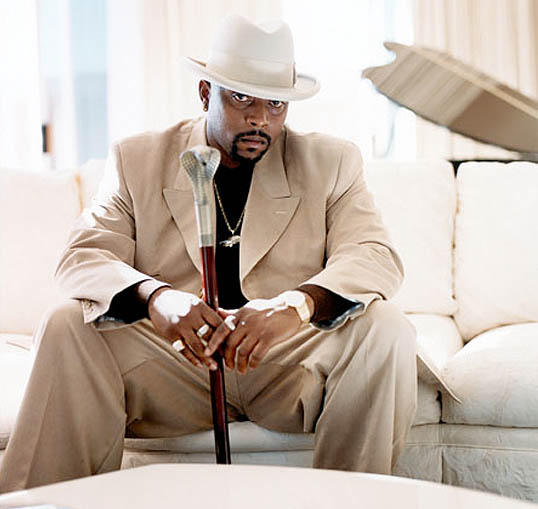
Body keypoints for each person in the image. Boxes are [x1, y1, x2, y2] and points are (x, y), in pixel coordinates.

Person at [0, 14, 418, 493]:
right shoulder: (137, 159)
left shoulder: (332, 161)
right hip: (178, 365)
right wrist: (156, 298)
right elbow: (82, 257)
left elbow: (374, 255)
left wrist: (296, 307)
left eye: (275, 103)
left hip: (284, 364)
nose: (260, 119)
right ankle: (39, 502)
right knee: (66, 324)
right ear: (205, 93)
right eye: (242, 98)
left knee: (387, 327)